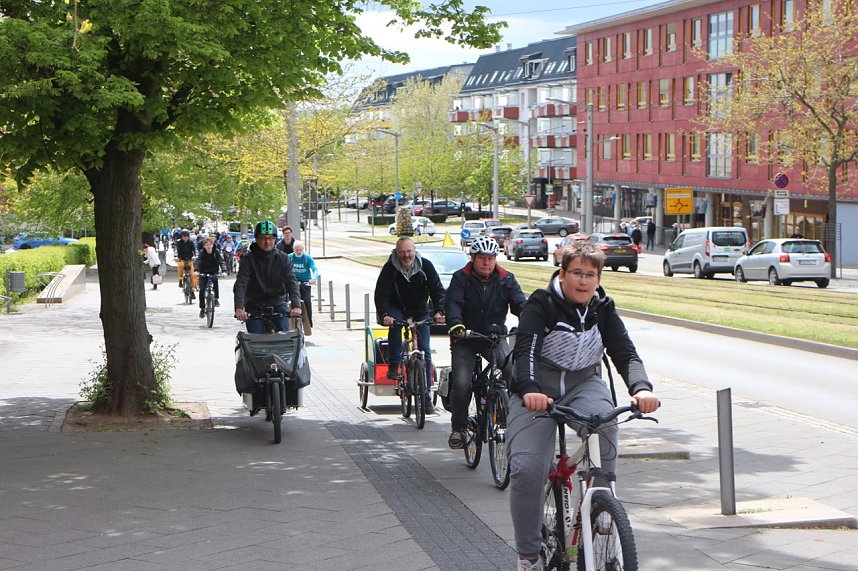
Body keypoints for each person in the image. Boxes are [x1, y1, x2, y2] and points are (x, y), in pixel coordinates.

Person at [507, 241, 660, 571]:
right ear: (562, 274)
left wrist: (642, 387)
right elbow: (525, 352)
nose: (583, 281)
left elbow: (625, 353)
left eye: (591, 275)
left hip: (582, 383)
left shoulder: (602, 308)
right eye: (576, 273)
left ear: (598, 278)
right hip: (535, 390)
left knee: (605, 419)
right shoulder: (541, 303)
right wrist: (531, 389)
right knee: (527, 468)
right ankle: (529, 556)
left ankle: (602, 498)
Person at [444, 235, 526, 450]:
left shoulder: (506, 279)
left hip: (494, 337)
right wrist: (456, 325)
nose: (487, 263)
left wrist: (531, 321)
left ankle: (511, 416)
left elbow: (520, 304)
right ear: (473, 258)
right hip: (466, 339)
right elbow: (452, 304)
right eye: (482, 258)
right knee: (462, 384)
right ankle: (459, 428)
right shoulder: (460, 278)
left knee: (511, 372)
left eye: (491, 258)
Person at [374, 237, 445, 411]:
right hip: (396, 307)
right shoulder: (390, 268)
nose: (406, 255)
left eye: (409, 251)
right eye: (402, 252)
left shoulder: (425, 266)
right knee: (396, 325)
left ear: (415, 251)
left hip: (419, 309)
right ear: (397, 253)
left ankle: (426, 394)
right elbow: (381, 293)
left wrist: (440, 311)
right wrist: (384, 314)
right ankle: (394, 364)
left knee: (425, 351)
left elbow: (437, 290)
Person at [233, 220, 302, 333]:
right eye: (263, 238)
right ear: (256, 239)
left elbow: (291, 282)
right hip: (254, 305)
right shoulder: (248, 259)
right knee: (255, 340)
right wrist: (239, 308)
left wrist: (296, 305)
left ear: (275, 239)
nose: (267, 242)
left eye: (271, 238)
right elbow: (241, 284)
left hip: (278, 303)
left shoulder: (283, 258)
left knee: (284, 337)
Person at [288, 240, 319, 327]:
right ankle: (289, 322)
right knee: (289, 301)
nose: (298, 252)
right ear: (293, 249)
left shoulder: (307, 258)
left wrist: (314, 278)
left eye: (300, 250)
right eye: (297, 250)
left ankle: (309, 322)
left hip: (305, 283)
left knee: (307, 301)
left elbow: (315, 269)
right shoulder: (289, 257)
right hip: (294, 283)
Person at [195, 237, 225, 318]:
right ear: (204, 246)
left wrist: (224, 271)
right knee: (201, 290)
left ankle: (216, 299)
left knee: (215, 281)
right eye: (207, 245)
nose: (208, 246)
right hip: (203, 273)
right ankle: (202, 308)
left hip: (213, 272)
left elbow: (221, 261)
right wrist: (196, 270)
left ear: (212, 245)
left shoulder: (216, 252)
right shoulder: (202, 253)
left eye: (210, 244)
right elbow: (198, 261)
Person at [175, 230, 196, 297]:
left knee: (192, 274)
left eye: (187, 236)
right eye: (184, 236)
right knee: (181, 265)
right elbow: (176, 250)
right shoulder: (178, 242)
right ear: (182, 236)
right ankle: (180, 280)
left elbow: (194, 250)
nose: (185, 237)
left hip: (189, 259)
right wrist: (176, 257)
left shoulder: (191, 242)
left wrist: (195, 256)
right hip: (181, 258)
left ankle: (192, 290)